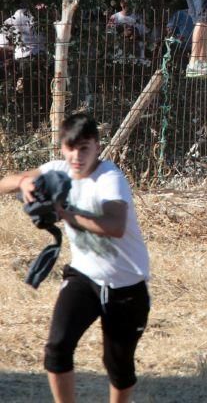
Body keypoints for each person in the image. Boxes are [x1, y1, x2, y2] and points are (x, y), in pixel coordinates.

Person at [0, 113, 152, 403]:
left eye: (84, 148)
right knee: (57, 348)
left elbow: (115, 226)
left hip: (126, 285)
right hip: (84, 276)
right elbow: (3, 183)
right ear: (62, 148)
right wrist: (22, 182)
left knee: (117, 366)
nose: (77, 156)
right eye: (71, 148)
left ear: (97, 146)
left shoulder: (109, 178)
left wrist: (66, 213)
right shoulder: (57, 170)